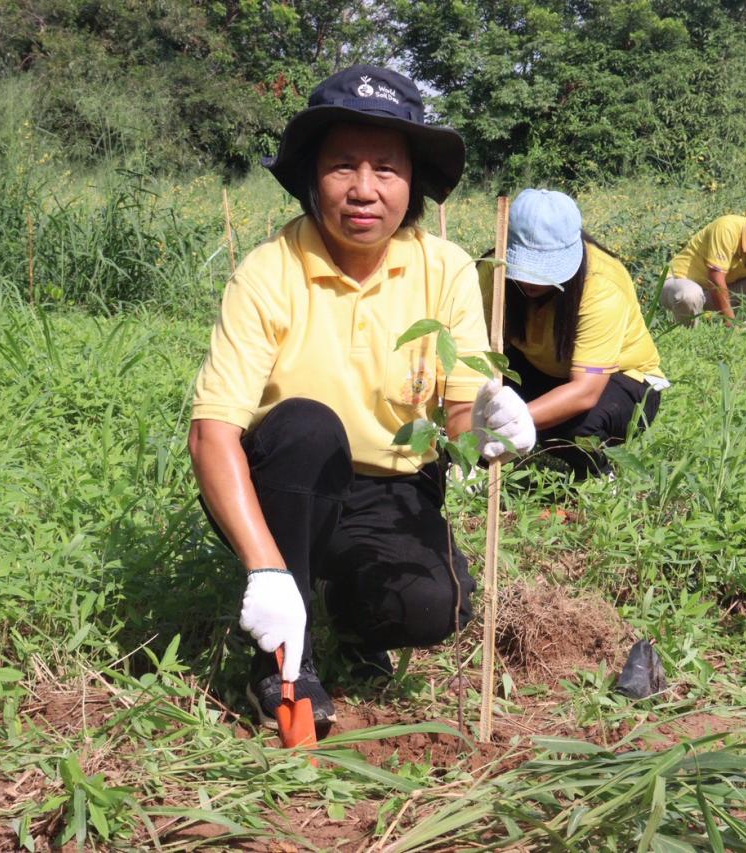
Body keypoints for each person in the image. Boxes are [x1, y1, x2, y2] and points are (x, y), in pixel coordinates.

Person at [187, 65, 536, 728]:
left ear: (414, 181)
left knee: (430, 608)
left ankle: (346, 612)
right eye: (343, 165)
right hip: (287, 477)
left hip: (393, 484)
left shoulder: (446, 269)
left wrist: (489, 416)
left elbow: (459, 412)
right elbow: (212, 433)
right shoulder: (270, 271)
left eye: (386, 167)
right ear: (311, 175)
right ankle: (284, 659)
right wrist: (266, 569)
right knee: (307, 429)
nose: (364, 189)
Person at [480, 189, 667, 479]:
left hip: (622, 381)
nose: (531, 280)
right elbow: (476, 351)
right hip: (548, 370)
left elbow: (585, 392)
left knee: (575, 429)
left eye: (542, 269)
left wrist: (513, 422)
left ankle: (599, 475)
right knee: (481, 396)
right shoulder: (490, 273)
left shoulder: (600, 284)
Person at [660, 215, 746, 326]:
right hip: (677, 284)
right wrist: (731, 324)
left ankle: (745, 337)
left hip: (711, 294)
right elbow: (716, 280)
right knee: (690, 294)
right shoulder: (726, 228)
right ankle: (689, 339)